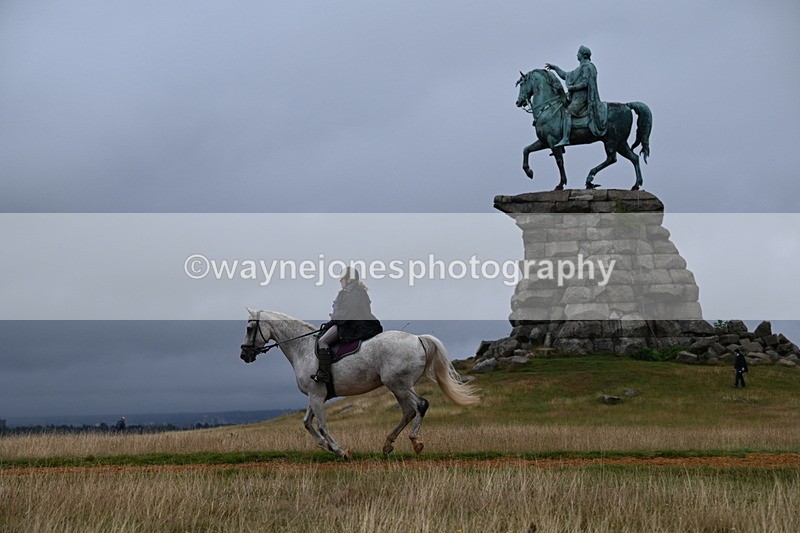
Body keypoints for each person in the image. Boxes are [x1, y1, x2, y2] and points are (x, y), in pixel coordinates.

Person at [311, 267, 383, 383]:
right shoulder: (359, 290)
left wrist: (332, 322)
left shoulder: (350, 292)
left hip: (352, 324)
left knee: (322, 341)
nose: (340, 282)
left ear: (348, 279)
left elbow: (347, 313)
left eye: (341, 279)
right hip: (359, 322)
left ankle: (324, 373)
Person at [545, 45, 608, 146]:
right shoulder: (579, 69)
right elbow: (565, 75)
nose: (576, 54)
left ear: (582, 55)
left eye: (578, 52)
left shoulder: (588, 67)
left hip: (582, 99)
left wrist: (573, 88)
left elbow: (586, 83)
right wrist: (555, 68)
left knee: (567, 112)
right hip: (575, 98)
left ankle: (566, 138)